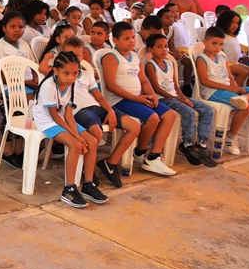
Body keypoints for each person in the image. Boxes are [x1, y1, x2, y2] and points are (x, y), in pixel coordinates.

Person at [58, 37, 142, 186]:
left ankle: (110, 163)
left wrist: (109, 110)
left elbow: (98, 96)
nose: (73, 58)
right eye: (69, 54)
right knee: (96, 132)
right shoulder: (60, 75)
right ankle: (86, 169)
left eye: (77, 55)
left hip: (96, 106)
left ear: (83, 56)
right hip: (79, 111)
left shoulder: (87, 75)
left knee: (134, 126)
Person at [101, 22, 179, 175]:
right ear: (115, 40)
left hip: (137, 98)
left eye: (132, 38)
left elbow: (143, 80)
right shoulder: (111, 56)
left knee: (170, 115)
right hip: (119, 100)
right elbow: (110, 85)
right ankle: (141, 151)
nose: (131, 41)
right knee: (153, 117)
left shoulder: (135, 56)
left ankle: (153, 156)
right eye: (126, 38)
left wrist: (151, 95)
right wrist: (138, 99)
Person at [34, 52, 108, 208]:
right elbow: (54, 116)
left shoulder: (71, 85)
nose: (71, 77)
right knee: (75, 145)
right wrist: (75, 137)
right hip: (46, 120)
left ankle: (88, 185)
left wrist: (77, 134)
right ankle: (69, 189)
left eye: (75, 73)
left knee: (92, 141)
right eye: (66, 73)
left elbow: (68, 113)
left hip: (62, 118)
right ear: (56, 71)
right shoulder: (48, 86)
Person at [143, 34, 218, 167]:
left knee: (208, 109)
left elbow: (176, 86)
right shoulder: (150, 65)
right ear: (151, 50)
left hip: (175, 96)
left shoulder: (170, 63)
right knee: (188, 112)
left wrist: (183, 97)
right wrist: (179, 100)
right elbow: (156, 88)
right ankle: (187, 143)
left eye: (166, 46)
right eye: (159, 47)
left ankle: (201, 143)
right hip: (164, 99)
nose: (164, 49)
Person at [196, 27, 249, 155]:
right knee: (246, 108)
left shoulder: (222, 56)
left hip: (228, 89)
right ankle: (231, 137)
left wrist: (237, 88)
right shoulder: (202, 59)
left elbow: (230, 77)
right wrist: (229, 88)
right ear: (205, 42)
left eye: (220, 44)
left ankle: (244, 98)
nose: (217, 47)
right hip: (213, 92)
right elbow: (204, 81)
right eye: (214, 43)